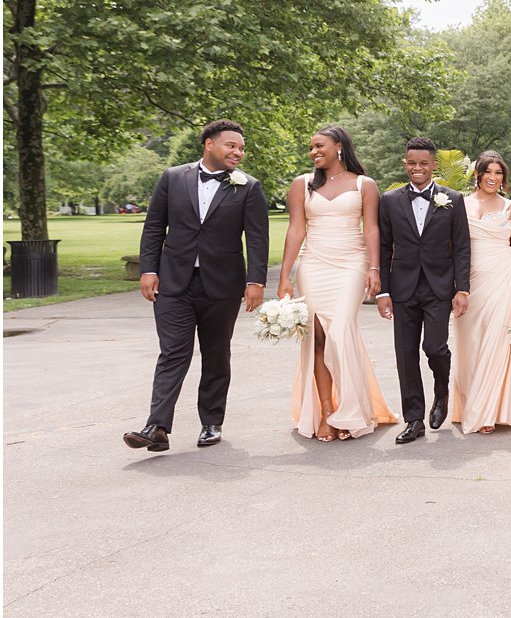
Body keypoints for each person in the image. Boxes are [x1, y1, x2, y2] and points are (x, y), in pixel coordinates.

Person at [124, 119, 269, 452]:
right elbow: (154, 227)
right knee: (173, 352)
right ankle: (157, 426)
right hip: (174, 282)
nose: (238, 152)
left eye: (242, 148)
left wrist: (255, 280)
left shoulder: (248, 186)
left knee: (216, 354)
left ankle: (211, 422)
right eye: (232, 145)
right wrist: (148, 269)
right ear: (209, 144)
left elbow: (258, 239)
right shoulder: (173, 177)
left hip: (223, 285)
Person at [275, 127, 396, 441]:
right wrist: (285, 276)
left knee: (340, 332)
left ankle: (352, 410)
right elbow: (295, 230)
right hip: (313, 263)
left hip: (351, 264)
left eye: (320, 146)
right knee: (317, 338)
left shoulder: (364, 184)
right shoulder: (301, 184)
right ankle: (328, 413)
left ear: (339, 147)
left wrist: (374, 268)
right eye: (311, 147)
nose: (314, 152)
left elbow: (372, 230)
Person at [376, 136, 471, 445]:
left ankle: (441, 390)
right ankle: (413, 419)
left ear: (434, 166)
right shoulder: (389, 200)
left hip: (438, 286)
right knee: (405, 354)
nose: (418, 168)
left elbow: (461, 247)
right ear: (406, 164)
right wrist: (383, 292)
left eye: (424, 164)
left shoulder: (453, 199)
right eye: (412, 163)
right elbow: (384, 246)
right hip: (402, 287)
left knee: (434, 347)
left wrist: (462, 289)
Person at [452, 151, 511, 433]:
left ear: (504, 177)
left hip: (502, 276)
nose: (493, 178)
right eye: (488, 172)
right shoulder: (458, 204)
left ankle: (485, 411)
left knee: (496, 342)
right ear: (477, 173)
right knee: (469, 343)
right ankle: (467, 403)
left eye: (498, 173)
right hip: (468, 282)